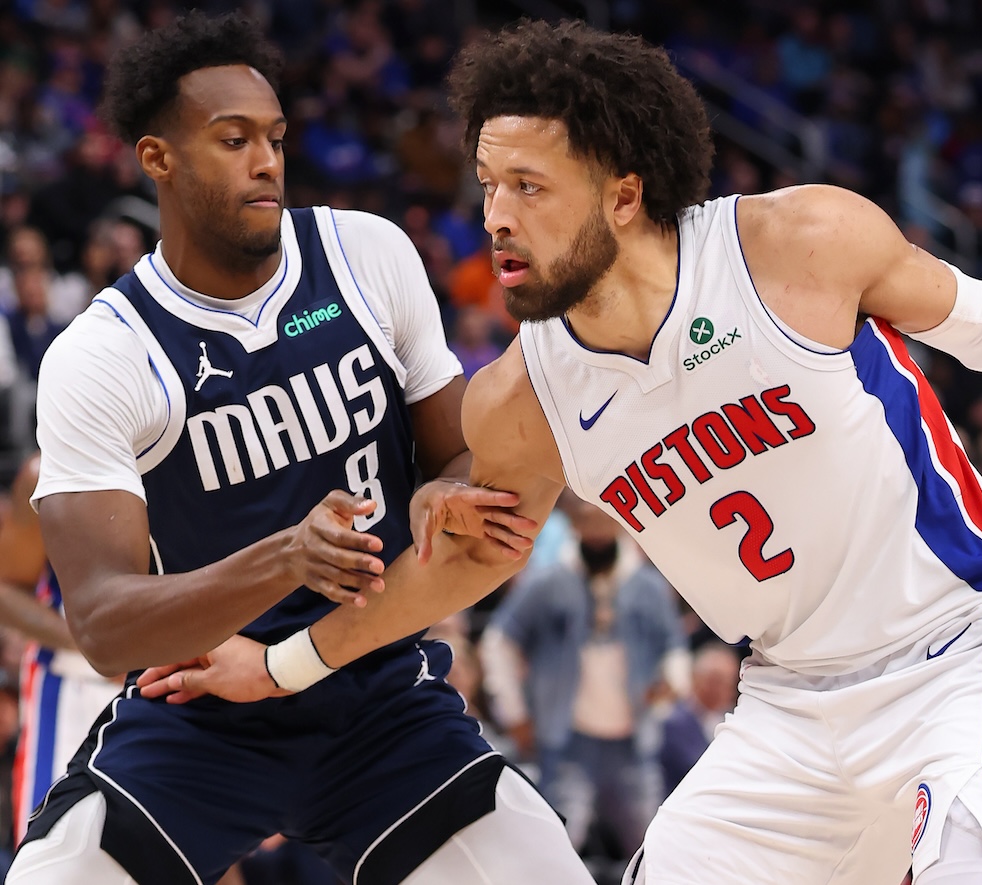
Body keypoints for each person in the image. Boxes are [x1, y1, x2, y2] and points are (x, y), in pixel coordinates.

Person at [142, 20, 982, 885]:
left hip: (966, 653)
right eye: (486, 186)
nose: (497, 219)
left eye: (529, 186)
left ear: (623, 193)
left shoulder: (792, 244)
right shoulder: (518, 399)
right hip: (787, 705)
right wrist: (285, 661)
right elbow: (456, 574)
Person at [9, 13, 591, 885]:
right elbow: (101, 623)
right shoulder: (102, 354)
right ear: (157, 158)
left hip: (376, 688)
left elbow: (458, 459)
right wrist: (286, 557)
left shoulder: (366, 254)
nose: (266, 160)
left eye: (275, 137)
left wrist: (446, 489)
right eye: (232, 138)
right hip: (201, 712)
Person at [482, 500, 689, 857]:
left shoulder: (645, 584)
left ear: (620, 529)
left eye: (604, 529)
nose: (596, 538)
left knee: (654, 847)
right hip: (568, 741)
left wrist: (672, 680)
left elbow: (674, 645)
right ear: (574, 528)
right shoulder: (548, 582)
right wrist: (513, 712)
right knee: (557, 847)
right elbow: (498, 641)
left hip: (632, 741)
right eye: (588, 529)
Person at [0, 454, 119, 842]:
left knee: (190, 859)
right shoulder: (44, 474)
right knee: (49, 855)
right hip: (71, 687)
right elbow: (6, 592)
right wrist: (90, 642)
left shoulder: (187, 454)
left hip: (170, 680)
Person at [659, 643, 742, 793]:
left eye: (729, 682)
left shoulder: (737, 720)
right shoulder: (674, 722)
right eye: (716, 681)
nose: (725, 689)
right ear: (696, 678)